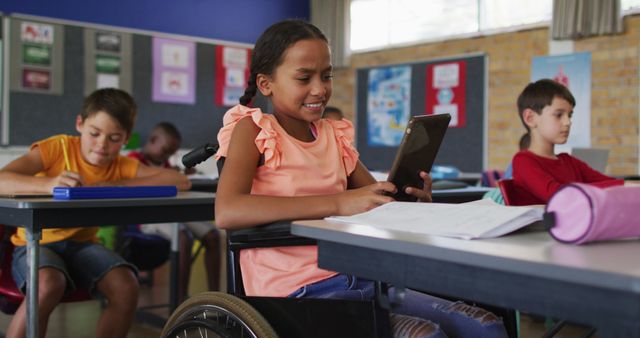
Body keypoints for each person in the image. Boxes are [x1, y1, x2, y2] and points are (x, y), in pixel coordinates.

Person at [214, 19, 507, 338]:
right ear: (266, 83)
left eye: (326, 76)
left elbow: (375, 198)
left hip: (363, 277)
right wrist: (339, 203)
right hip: (298, 292)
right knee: (427, 335)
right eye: (304, 77)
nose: (319, 88)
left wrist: (410, 200)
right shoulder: (253, 129)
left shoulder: (334, 136)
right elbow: (228, 211)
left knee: (485, 325)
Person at [0, 88, 191, 338]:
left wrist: (117, 184)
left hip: (82, 246)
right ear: (80, 124)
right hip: (35, 243)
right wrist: (47, 184)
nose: (102, 145)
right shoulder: (57, 149)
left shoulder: (120, 165)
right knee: (47, 284)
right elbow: (2, 179)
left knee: (126, 286)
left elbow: (180, 180)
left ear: (126, 139)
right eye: (95, 133)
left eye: (114, 138)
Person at [127, 121, 221, 300]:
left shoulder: (167, 166)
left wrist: (182, 176)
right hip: (148, 217)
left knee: (213, 235)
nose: (167, 156)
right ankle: (180, 299)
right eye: (165, 150)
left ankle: (215, 295)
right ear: (153, 140)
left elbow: (179, 187)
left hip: (175, 213)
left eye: (171, 153)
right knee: (183, 237)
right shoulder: (134, 160)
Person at [511, 79, 624, 205]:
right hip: (545, 225)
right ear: (530, 118)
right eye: (558, 115)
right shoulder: (523, 161)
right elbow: (558, 196)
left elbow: (613, 185)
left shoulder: (569, 162)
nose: (568, 122)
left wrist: (630, 185)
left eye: (569, 115)